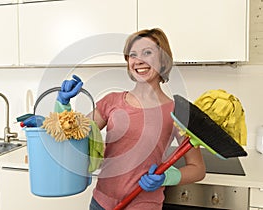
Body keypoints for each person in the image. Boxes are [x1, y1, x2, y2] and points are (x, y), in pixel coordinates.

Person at [55, 28, 206, 209]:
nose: (139, 60)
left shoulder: (176, 112)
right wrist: (63, 104)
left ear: (163, 60)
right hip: (100, 203)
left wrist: (167, 177)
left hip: (144, 205)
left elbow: (198, 169)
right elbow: (74, 135)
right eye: (133, 55)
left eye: (147, 53)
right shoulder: (111, 101)